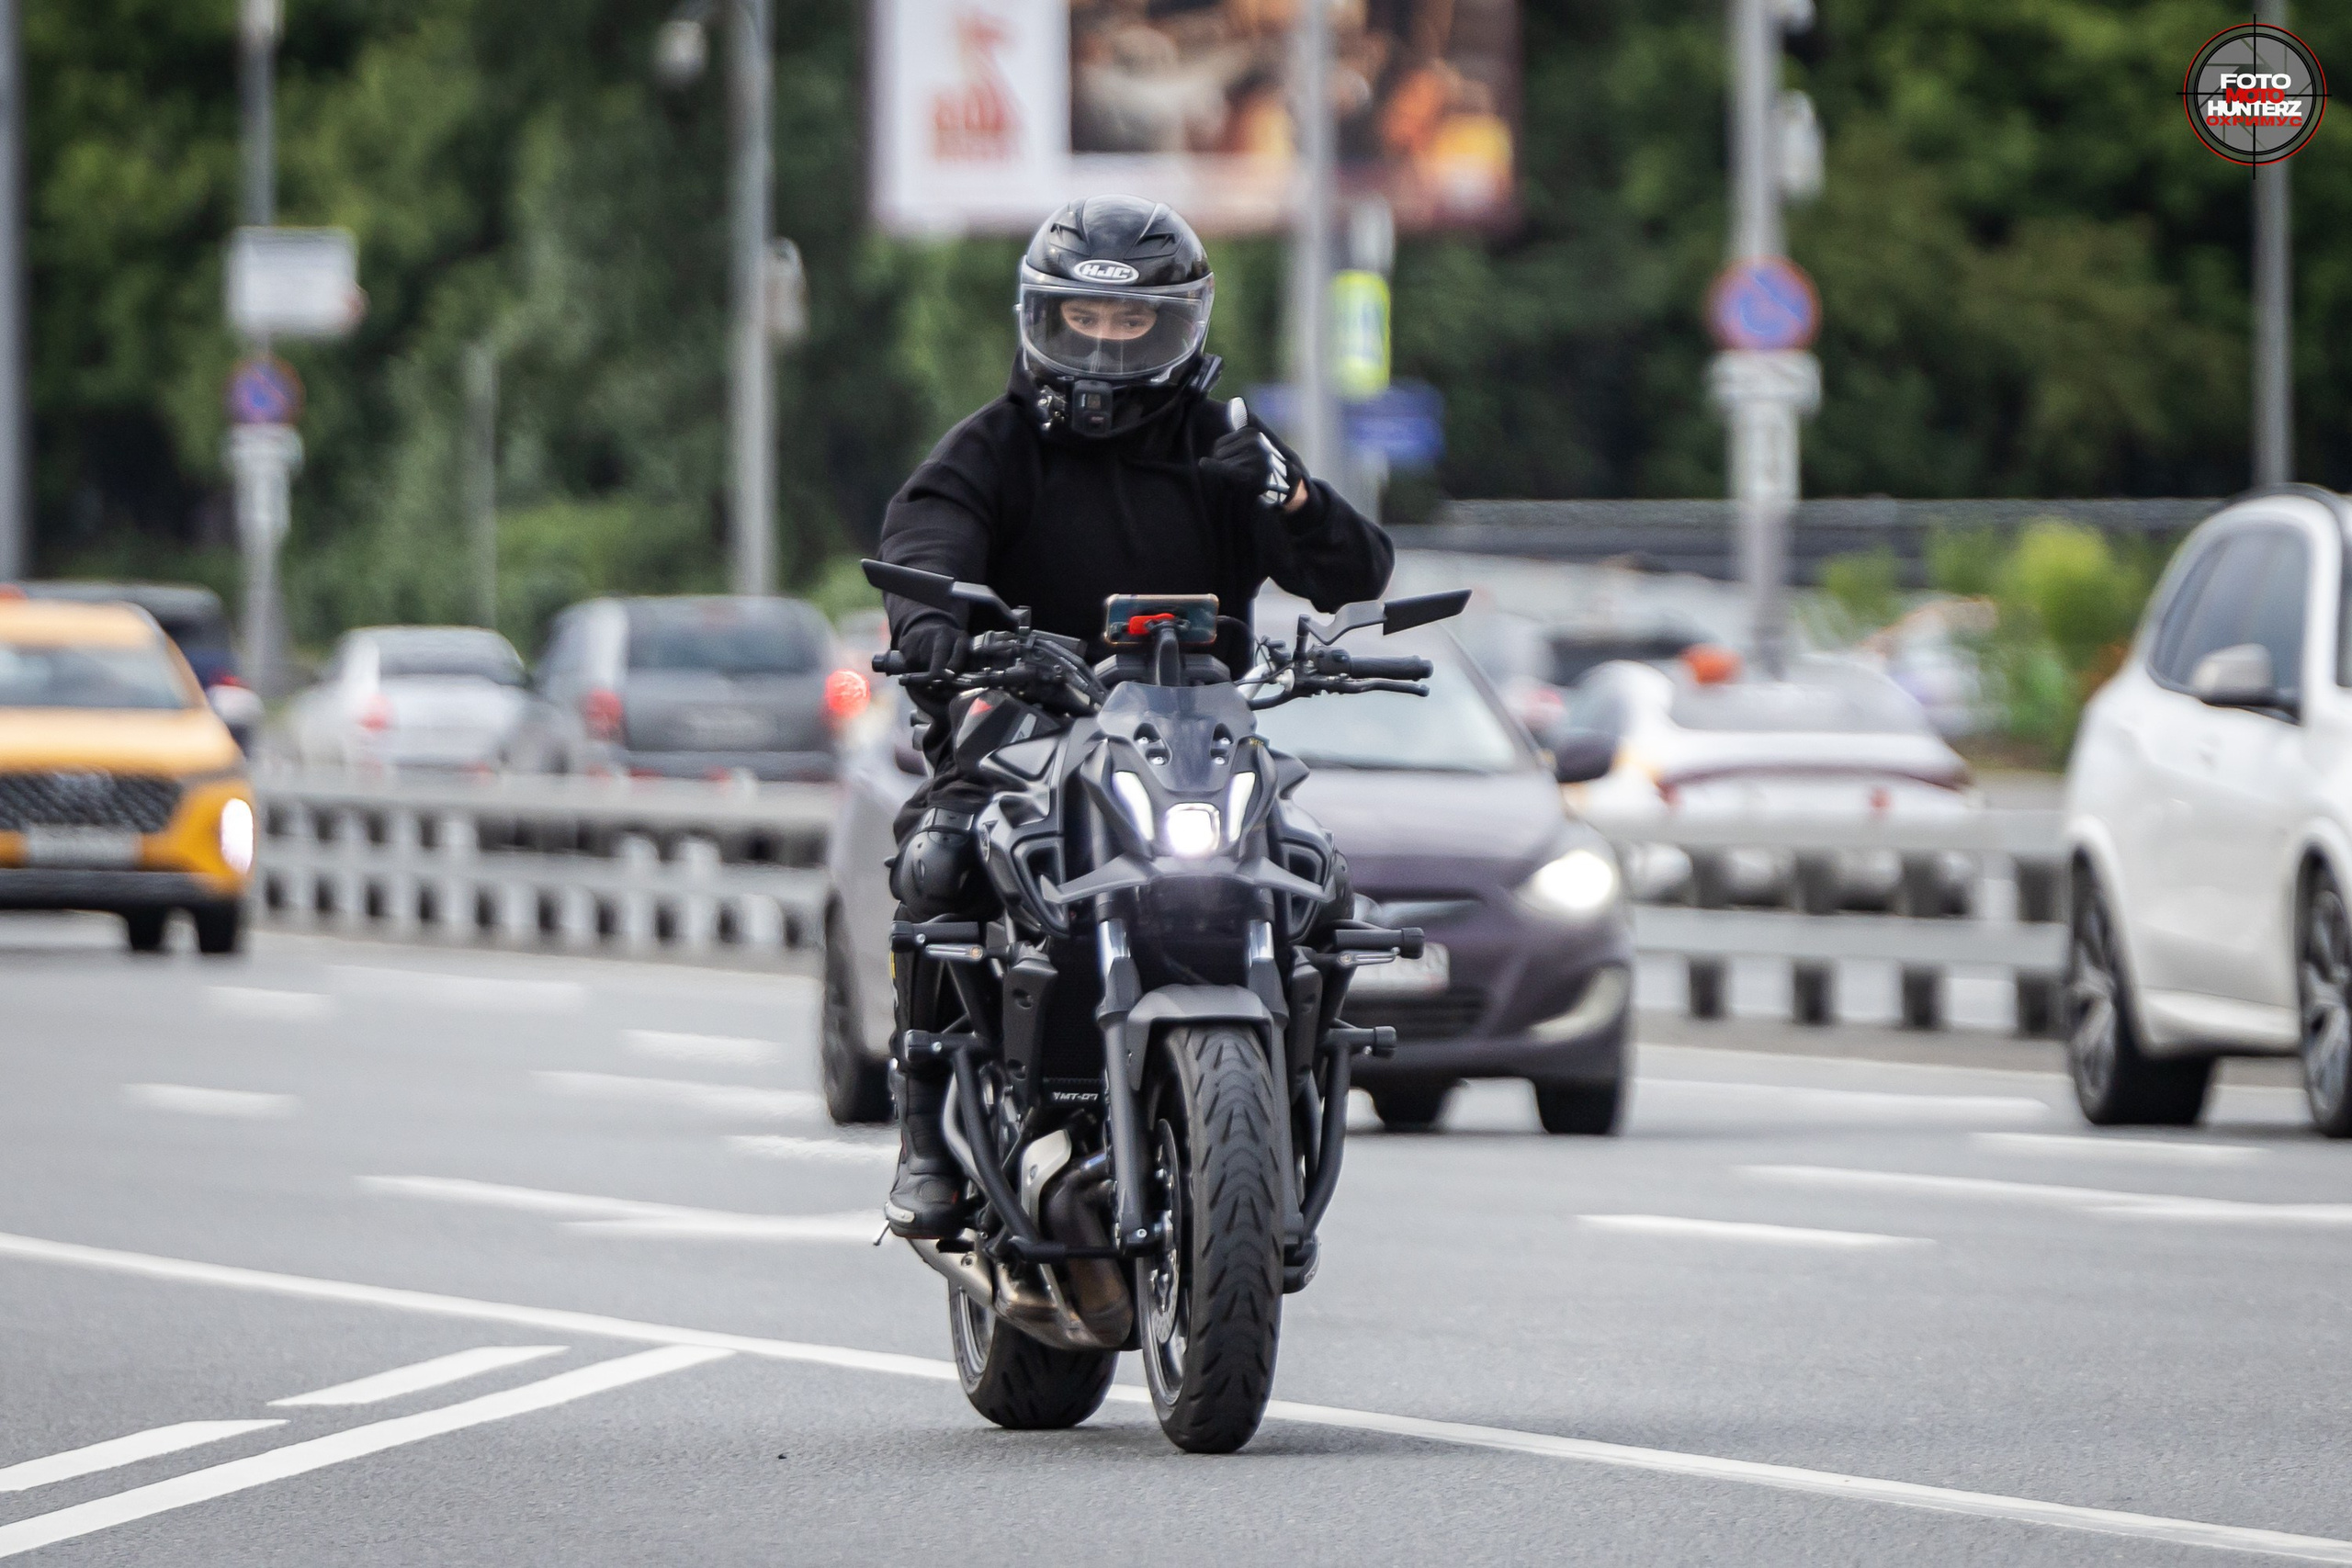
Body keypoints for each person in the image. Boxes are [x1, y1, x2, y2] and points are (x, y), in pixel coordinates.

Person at [875, 193, 1395, 1237]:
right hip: (1029, 733)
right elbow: (926, 548)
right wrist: (939, 635)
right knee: (936, 856)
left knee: (1322, 874)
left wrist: (1291, 496)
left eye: (1134, 323)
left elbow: (1356, 572)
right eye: (1085, 319)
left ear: (1178, 327)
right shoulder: (991, 449)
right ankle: (925, 1129)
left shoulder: (1226, 445)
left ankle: (1297, 1083)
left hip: (1195, 737)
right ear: (1045, 320)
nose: (1107, 345)